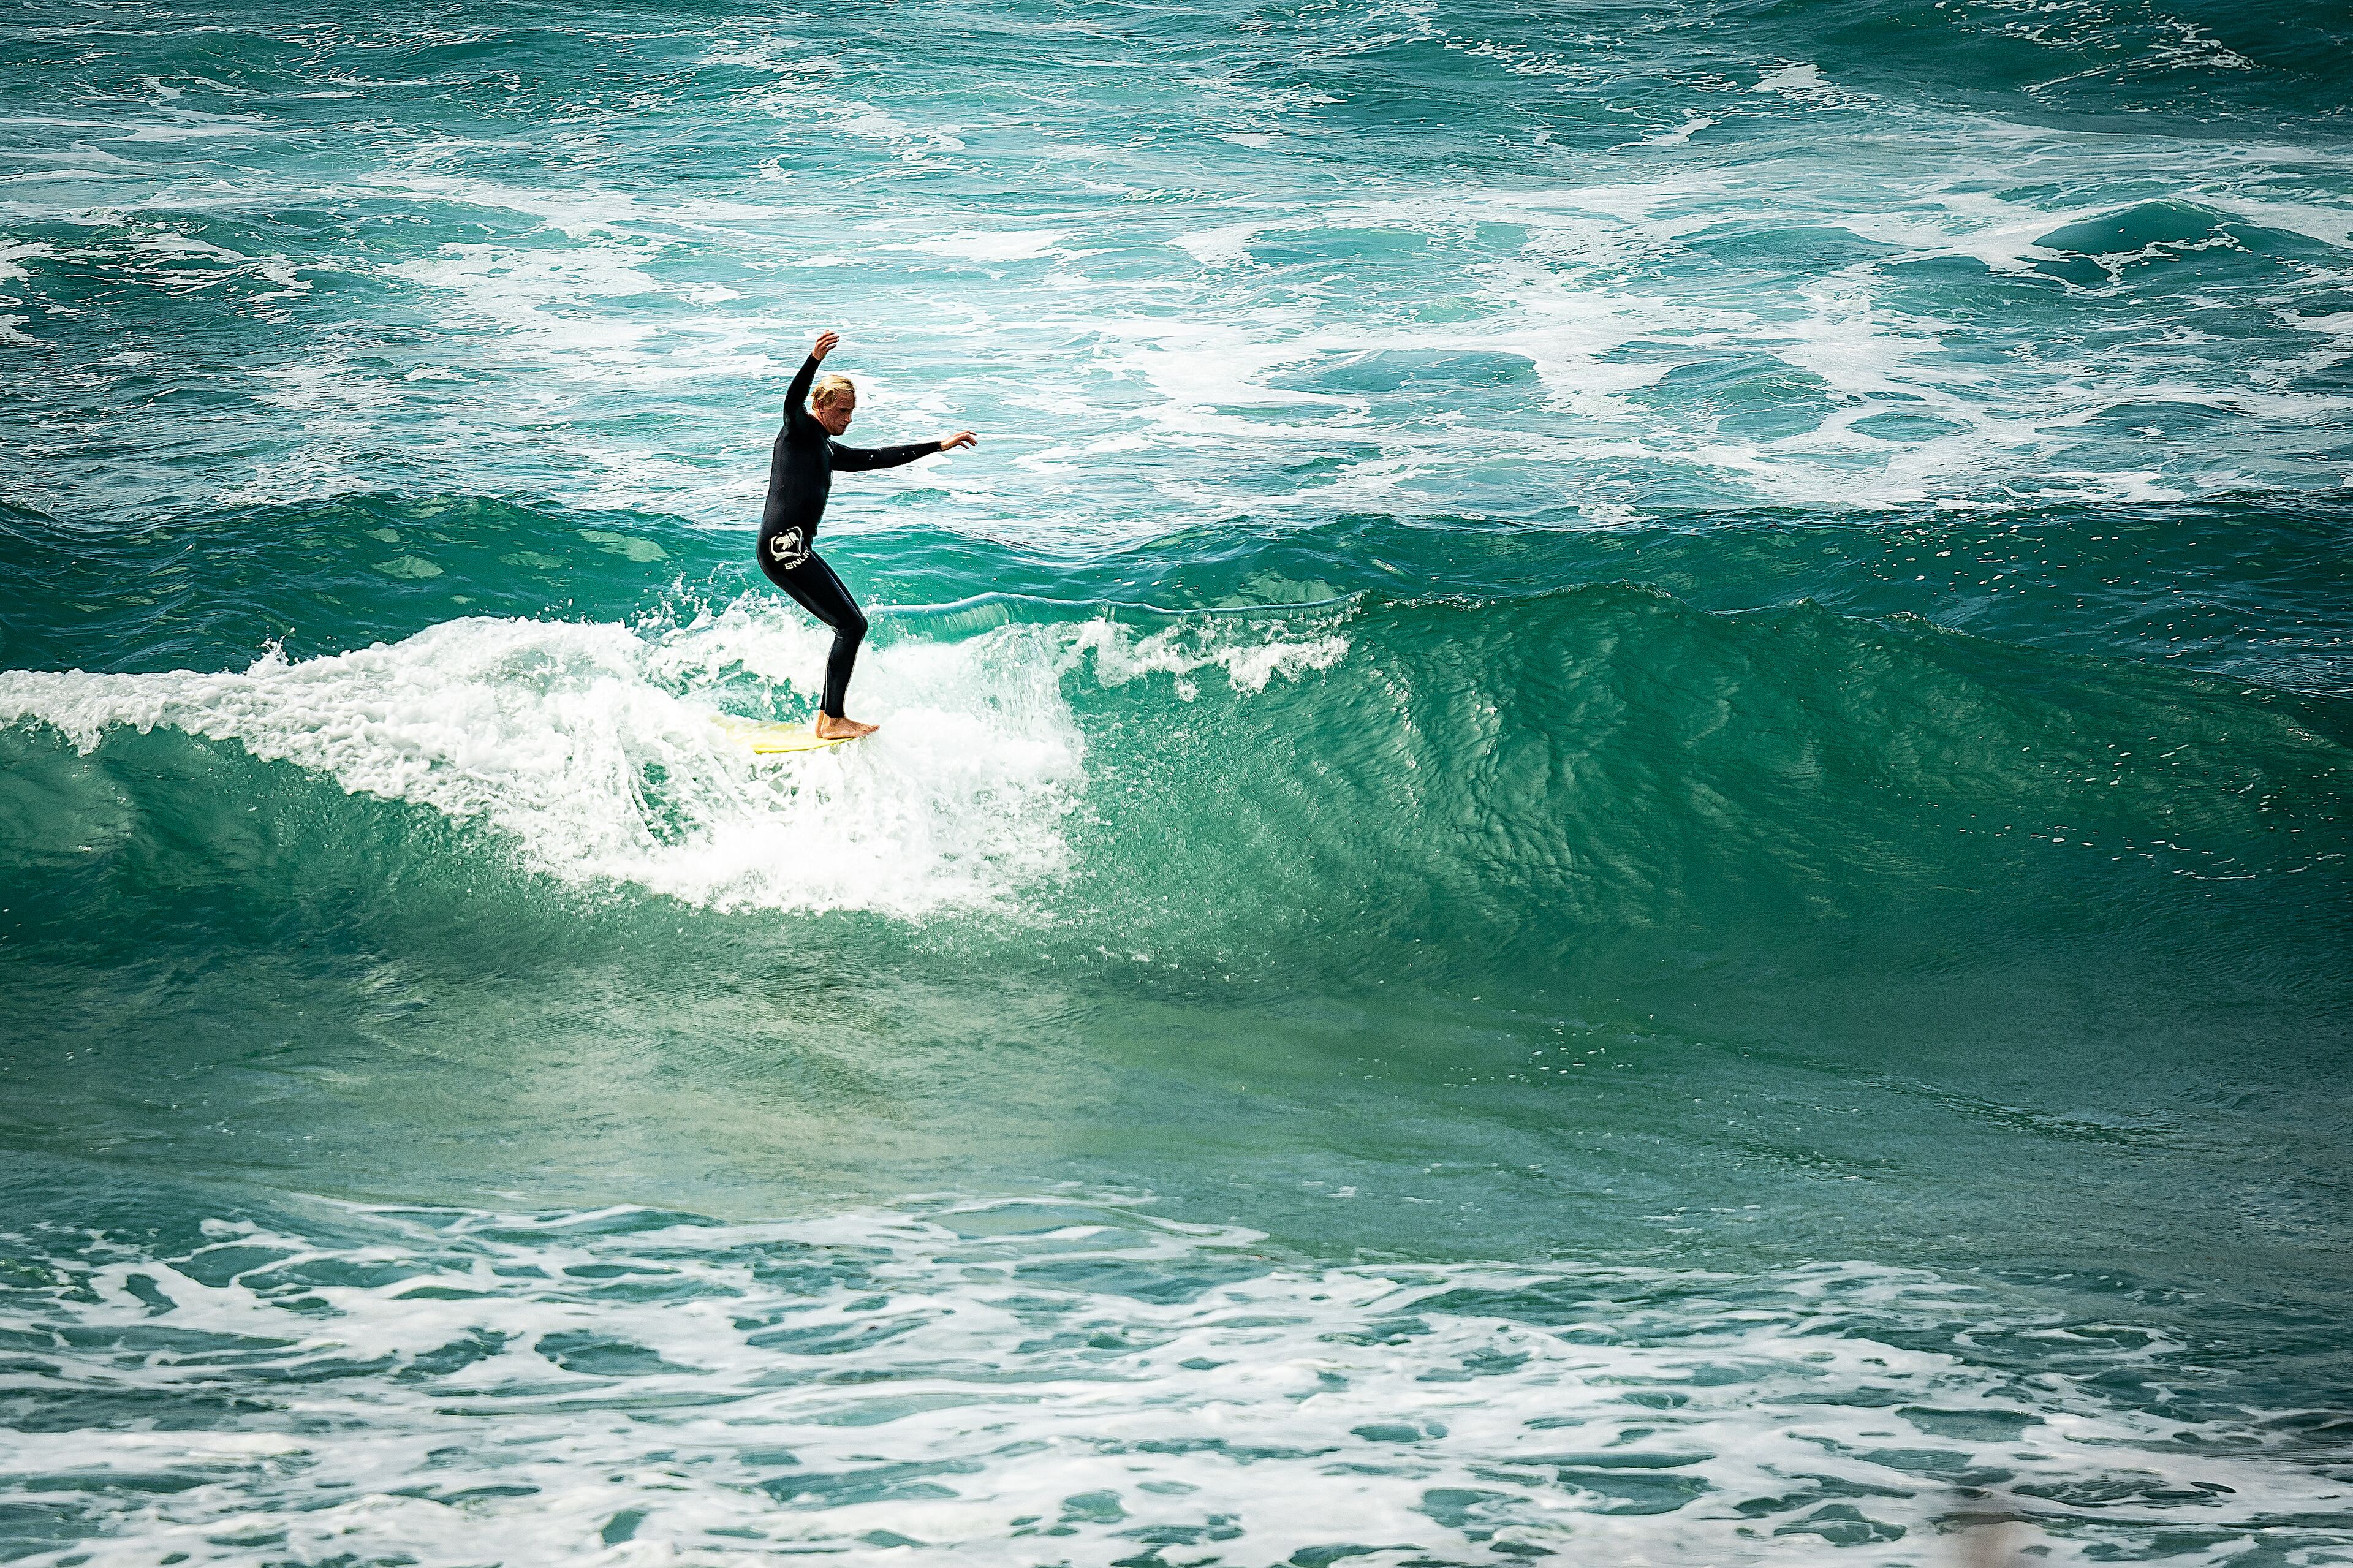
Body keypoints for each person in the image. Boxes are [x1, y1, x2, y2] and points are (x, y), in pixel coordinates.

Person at [758, 330, 977, 738]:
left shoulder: (824, 448)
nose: (848, 419)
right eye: (842, 411)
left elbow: (878, 458)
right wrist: (813, 360)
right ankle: (831, 719)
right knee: (851, 625)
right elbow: (791, 401)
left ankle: (829, 717)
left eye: (852, 411)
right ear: (821, 406)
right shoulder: (799, 430)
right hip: (783, 546)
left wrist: (938, 446)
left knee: (852, 622)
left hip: (791, 547)